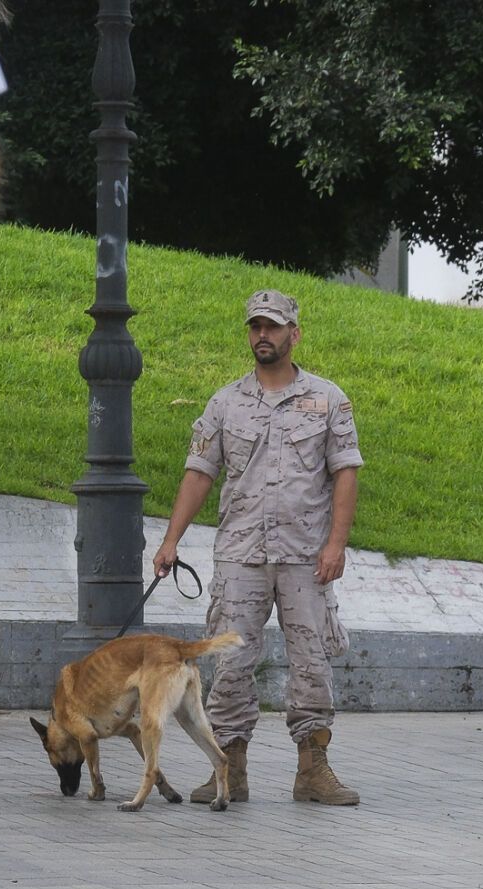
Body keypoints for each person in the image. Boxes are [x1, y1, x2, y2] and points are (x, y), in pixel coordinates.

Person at [152, 289, 364, 806]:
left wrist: (336, 545)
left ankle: (313, 772)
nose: (262, 335)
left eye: (272, 326)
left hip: (305, 557)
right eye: (255, 327)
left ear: (295, 334)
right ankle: (229, 771)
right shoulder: (225, 403)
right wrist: (170, 540)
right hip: (240, 555)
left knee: (311, 663)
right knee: (229, 664)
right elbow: (199, 473)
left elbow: (346, 472)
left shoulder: (328, 399)